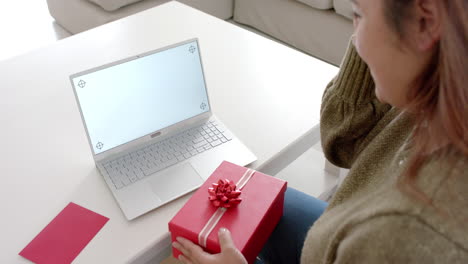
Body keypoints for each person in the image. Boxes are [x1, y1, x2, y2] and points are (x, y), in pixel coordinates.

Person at [172, 0, 468, 262]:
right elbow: (341, 141)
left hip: (357, 242)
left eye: (358, 14)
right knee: (249, 201)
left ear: (426, 22)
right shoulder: (439, 91)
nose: (357, 43)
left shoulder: (403, 234)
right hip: (344, 234)